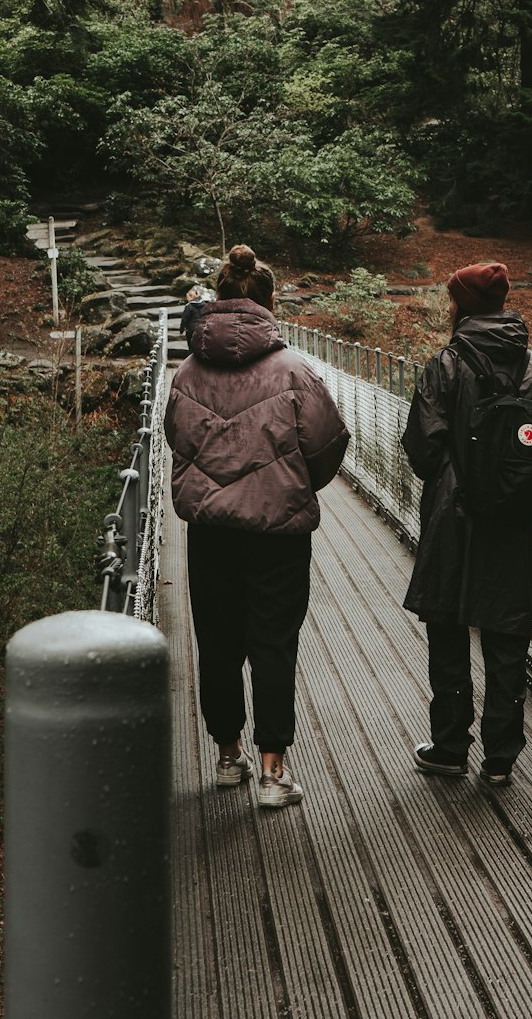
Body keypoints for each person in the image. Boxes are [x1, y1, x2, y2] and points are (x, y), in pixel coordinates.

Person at [165, 244, 349, 808]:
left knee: (217, 643)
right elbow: (328, 443)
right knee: (274, 646)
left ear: (219, 300)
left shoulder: (188, 371)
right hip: (278, 534)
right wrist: (289, 485)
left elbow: (177, 439)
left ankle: (226, 758)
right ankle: (273, 774)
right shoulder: (295, 369)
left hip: (212, 533)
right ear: (269, 303)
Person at [401, 261, 532, 785]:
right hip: (516, 519)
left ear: (462, 305)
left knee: (448, 628)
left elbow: (424, 450)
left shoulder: (444, 365)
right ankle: (500, 755)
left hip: (454, 514)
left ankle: (449, 746)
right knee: (507, 631)